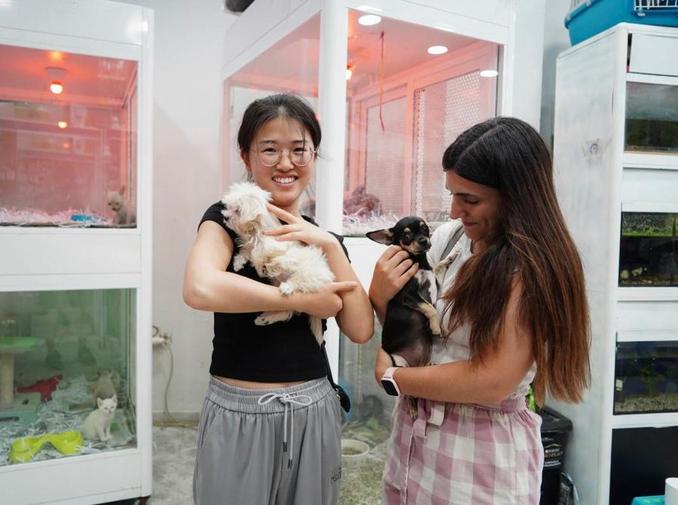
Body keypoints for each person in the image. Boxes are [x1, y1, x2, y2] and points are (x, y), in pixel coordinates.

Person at [369, 117, 590, 504]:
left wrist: (395, 378)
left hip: (478, 452)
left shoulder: (527, 268)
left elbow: (493, 380)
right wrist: (381, 296)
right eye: (452, 194)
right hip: (416, 440)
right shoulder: (450, 240)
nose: (455, 211)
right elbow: (414, 331)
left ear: (515, 197)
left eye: (469, 199)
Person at [183, 93, 374, 505]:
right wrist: (303, 301)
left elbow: (360, 329)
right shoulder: (227, 219)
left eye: (298, 149)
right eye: (270, 149)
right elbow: (199, 288)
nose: (285, 163)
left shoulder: (324, 236)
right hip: (240, 412)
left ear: (313, 154)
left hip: (314, 408)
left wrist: (332, 246)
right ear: (246, 156)